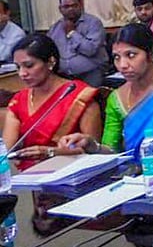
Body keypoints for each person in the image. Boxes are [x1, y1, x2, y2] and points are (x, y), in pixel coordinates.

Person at [59, 24, 153, 163]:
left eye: (131, 55)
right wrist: (91, 145)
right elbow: (111, 150)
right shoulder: (116, 98)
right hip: (134, 176)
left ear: (151, 54)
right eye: (117, 57)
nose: (122, 65)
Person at [2, 35, 101, 170]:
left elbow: (93, 149)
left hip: (72, 171)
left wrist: (50, 152)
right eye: (18, 67)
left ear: (50, 62)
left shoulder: (79, 95)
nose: (22, 73)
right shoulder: (19, 100)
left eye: (29, 66)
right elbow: (8, 148)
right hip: (27, 176)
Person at [46, 0, 109, 87]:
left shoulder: (94, 23)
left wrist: (72, 33)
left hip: (91, 72)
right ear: (60, 9)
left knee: (87, 97)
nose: (71, 9)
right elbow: (49, 52)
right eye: (66, 7)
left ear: (80, 6)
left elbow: (90, 50)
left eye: (74, 5)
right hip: (63, 75)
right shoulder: (55, 28)